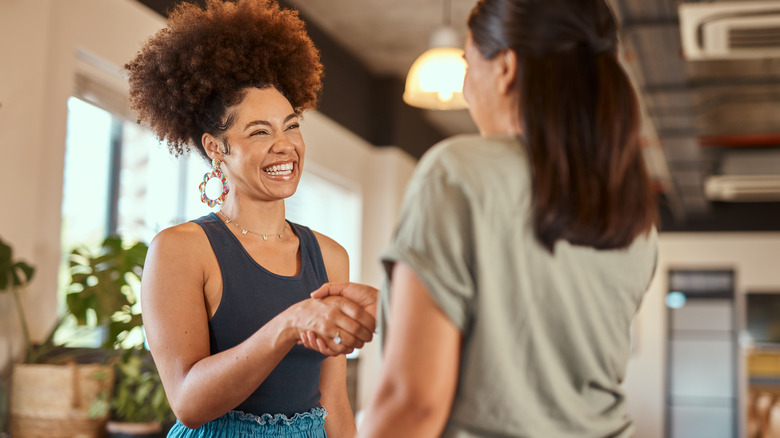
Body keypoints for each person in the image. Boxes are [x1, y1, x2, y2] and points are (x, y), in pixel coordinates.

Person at [309, 0, 659, 436]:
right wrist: (397, 306)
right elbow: (535, 338)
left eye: (467, 63)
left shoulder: (458, 172)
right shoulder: (627, 208)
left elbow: (413, 404)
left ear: (506, 68)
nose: (466, 86)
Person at [125, 1, 375, 437]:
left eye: (291, 126)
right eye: (260, 131)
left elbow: (333, 400)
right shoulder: (181, 249)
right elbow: (188, 403)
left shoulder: (330, 256)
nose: (286, 145)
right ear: (217, 148)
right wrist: (288, 324)